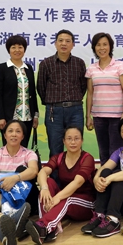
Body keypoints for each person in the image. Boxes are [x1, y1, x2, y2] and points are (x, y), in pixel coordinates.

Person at [26, 126, 96, 245]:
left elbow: (77, 182)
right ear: (64, 141)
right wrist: (44, 188)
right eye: (69, 138)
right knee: (48, 182)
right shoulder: (58, 157)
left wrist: (57, 197)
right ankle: (48, 229)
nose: (73, 142)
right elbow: (42, 172)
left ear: (82, 141)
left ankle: (44, 226)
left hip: (86, 203)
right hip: (64, 201)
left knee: (67, 199)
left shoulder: (87, 158)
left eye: (76, 138)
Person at [37, 29, 87, 157]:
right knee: (55, 148)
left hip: (75, 110)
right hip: (54, 111)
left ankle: (77, 170)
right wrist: (52, 102)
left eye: (67, 41)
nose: (64, 43)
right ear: (55, 43)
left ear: (73, 44)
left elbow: (83, 86)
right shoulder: (46, 63)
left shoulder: (79, 63)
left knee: (75, 146)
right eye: (60, 40)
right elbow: (41, 87)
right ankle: (55, 171)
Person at [85, 32, 123, 164]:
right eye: (98, 45)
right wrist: (88, 116)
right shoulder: (91, 69)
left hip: (117, 116)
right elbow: (90, 93)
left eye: (105, 44)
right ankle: (104, 175)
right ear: (94, 48)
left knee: (115, 151)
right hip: (98, 116)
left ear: (110, 46)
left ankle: (116, 176)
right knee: (103, 151)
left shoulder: (120, 66)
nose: (102, 48)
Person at [0, 120, 39, 215]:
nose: (14, 134)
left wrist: (15, 178)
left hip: (25, 199)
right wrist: (7, 180)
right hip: (2, 194)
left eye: (18, 131)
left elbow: (33, 171)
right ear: (5, 135)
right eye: (10, 131)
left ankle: (17, 210)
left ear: (23, 136)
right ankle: (7, 210)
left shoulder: (29, 153)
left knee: (22, 169)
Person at [0, 35, 39, 148]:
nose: (17, 50)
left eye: (20, 47)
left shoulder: (28, 68)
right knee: (10, 147)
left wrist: (35, 115)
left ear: (24, 49)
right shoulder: (2, 68)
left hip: (27, 117)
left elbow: (32, 93)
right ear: (9, 50)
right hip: (9, 117)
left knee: (24, 148)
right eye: (13, 47)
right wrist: (0, 117)